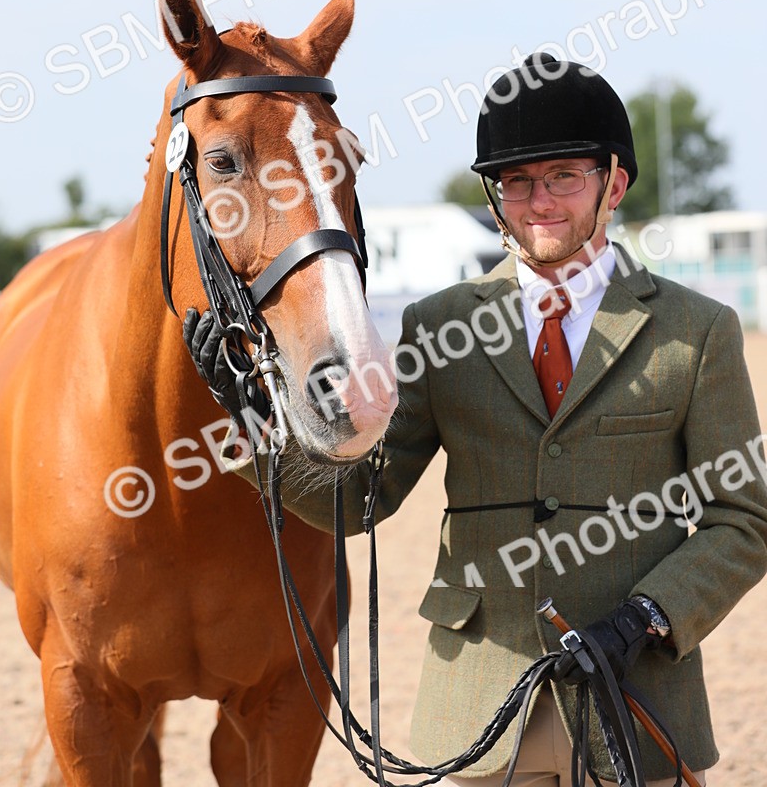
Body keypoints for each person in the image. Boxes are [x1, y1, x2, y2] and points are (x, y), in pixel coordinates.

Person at [185, 52, 767, 785]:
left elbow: (742, 519)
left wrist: (648, 616)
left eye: (564, 177)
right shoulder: (440, 326)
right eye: (516, 183)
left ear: (613, 183)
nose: (539, 202)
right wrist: (253, 421)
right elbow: (364, 499)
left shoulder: (699, 330)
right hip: (478, 714)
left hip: (636, 699)